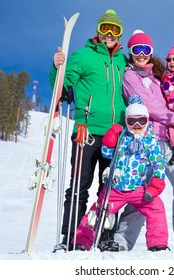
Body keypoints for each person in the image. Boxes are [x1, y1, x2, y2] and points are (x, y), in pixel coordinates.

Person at [114, 30, 174, 251]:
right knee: (143, 190)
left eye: (146, 50)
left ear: (151, 52)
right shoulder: (130, 77)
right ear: (131, 52)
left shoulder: (158, 77)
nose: (142, 54)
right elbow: (148, 107)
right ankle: (121, 242)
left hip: (171, 142)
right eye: (137, 50)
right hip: (148, 142)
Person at [49, 9, 128, 249]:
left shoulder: (123, 61)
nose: (109, 34)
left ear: (119, 33)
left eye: (114, 30)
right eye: (105, 28)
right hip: (86, 131)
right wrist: (56, 67)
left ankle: (105, 237)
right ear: (98, 31)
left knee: (109, 189)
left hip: (115, 135)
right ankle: (70, 237)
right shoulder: (83, 56)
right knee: (80, 185)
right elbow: (61, 85)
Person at [73, 98, 169, 252]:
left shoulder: (151, 141)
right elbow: (106, 154)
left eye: (141, 121)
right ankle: (81, 242)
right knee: (97, 212)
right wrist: (110, 140)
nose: (137, 126)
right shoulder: (122, 137)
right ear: (126, 121)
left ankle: (157, 244)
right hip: (115, 189)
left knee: (156, 208)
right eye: (132, 122)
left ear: (147, 121)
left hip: (137, 190)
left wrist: (155, 185)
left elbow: (158, 163)